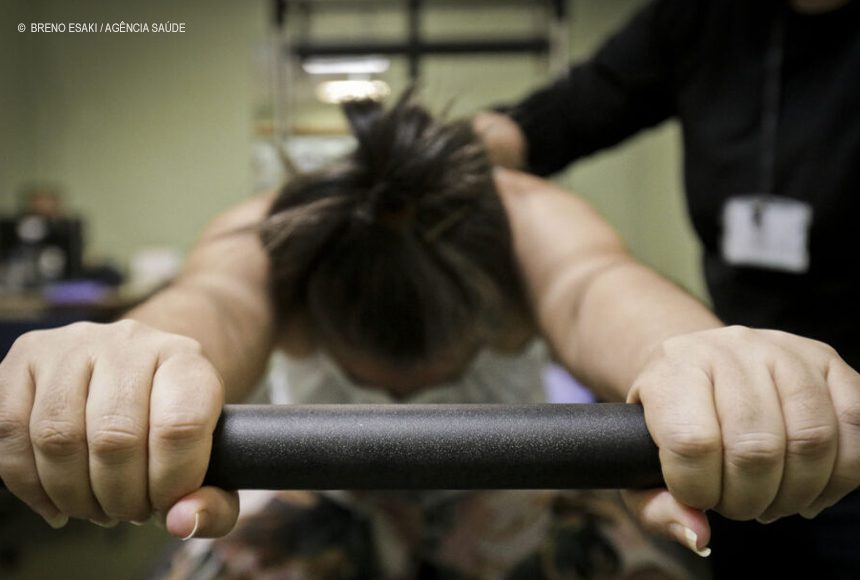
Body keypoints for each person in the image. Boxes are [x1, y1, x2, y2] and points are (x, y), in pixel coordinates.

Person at [0, 94, 857, 579]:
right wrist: (129, 354)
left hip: (510, 503)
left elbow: (594, 285)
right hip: (320, 500)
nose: (404, 396)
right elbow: (212, 302)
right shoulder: (273, 233)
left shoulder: (527, 217)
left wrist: (703, 354)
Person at [474, 0, 860, 576]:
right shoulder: (698, 18)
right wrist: (420, 154)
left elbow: (584, 284)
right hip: (740, 396)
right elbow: (555, 119)